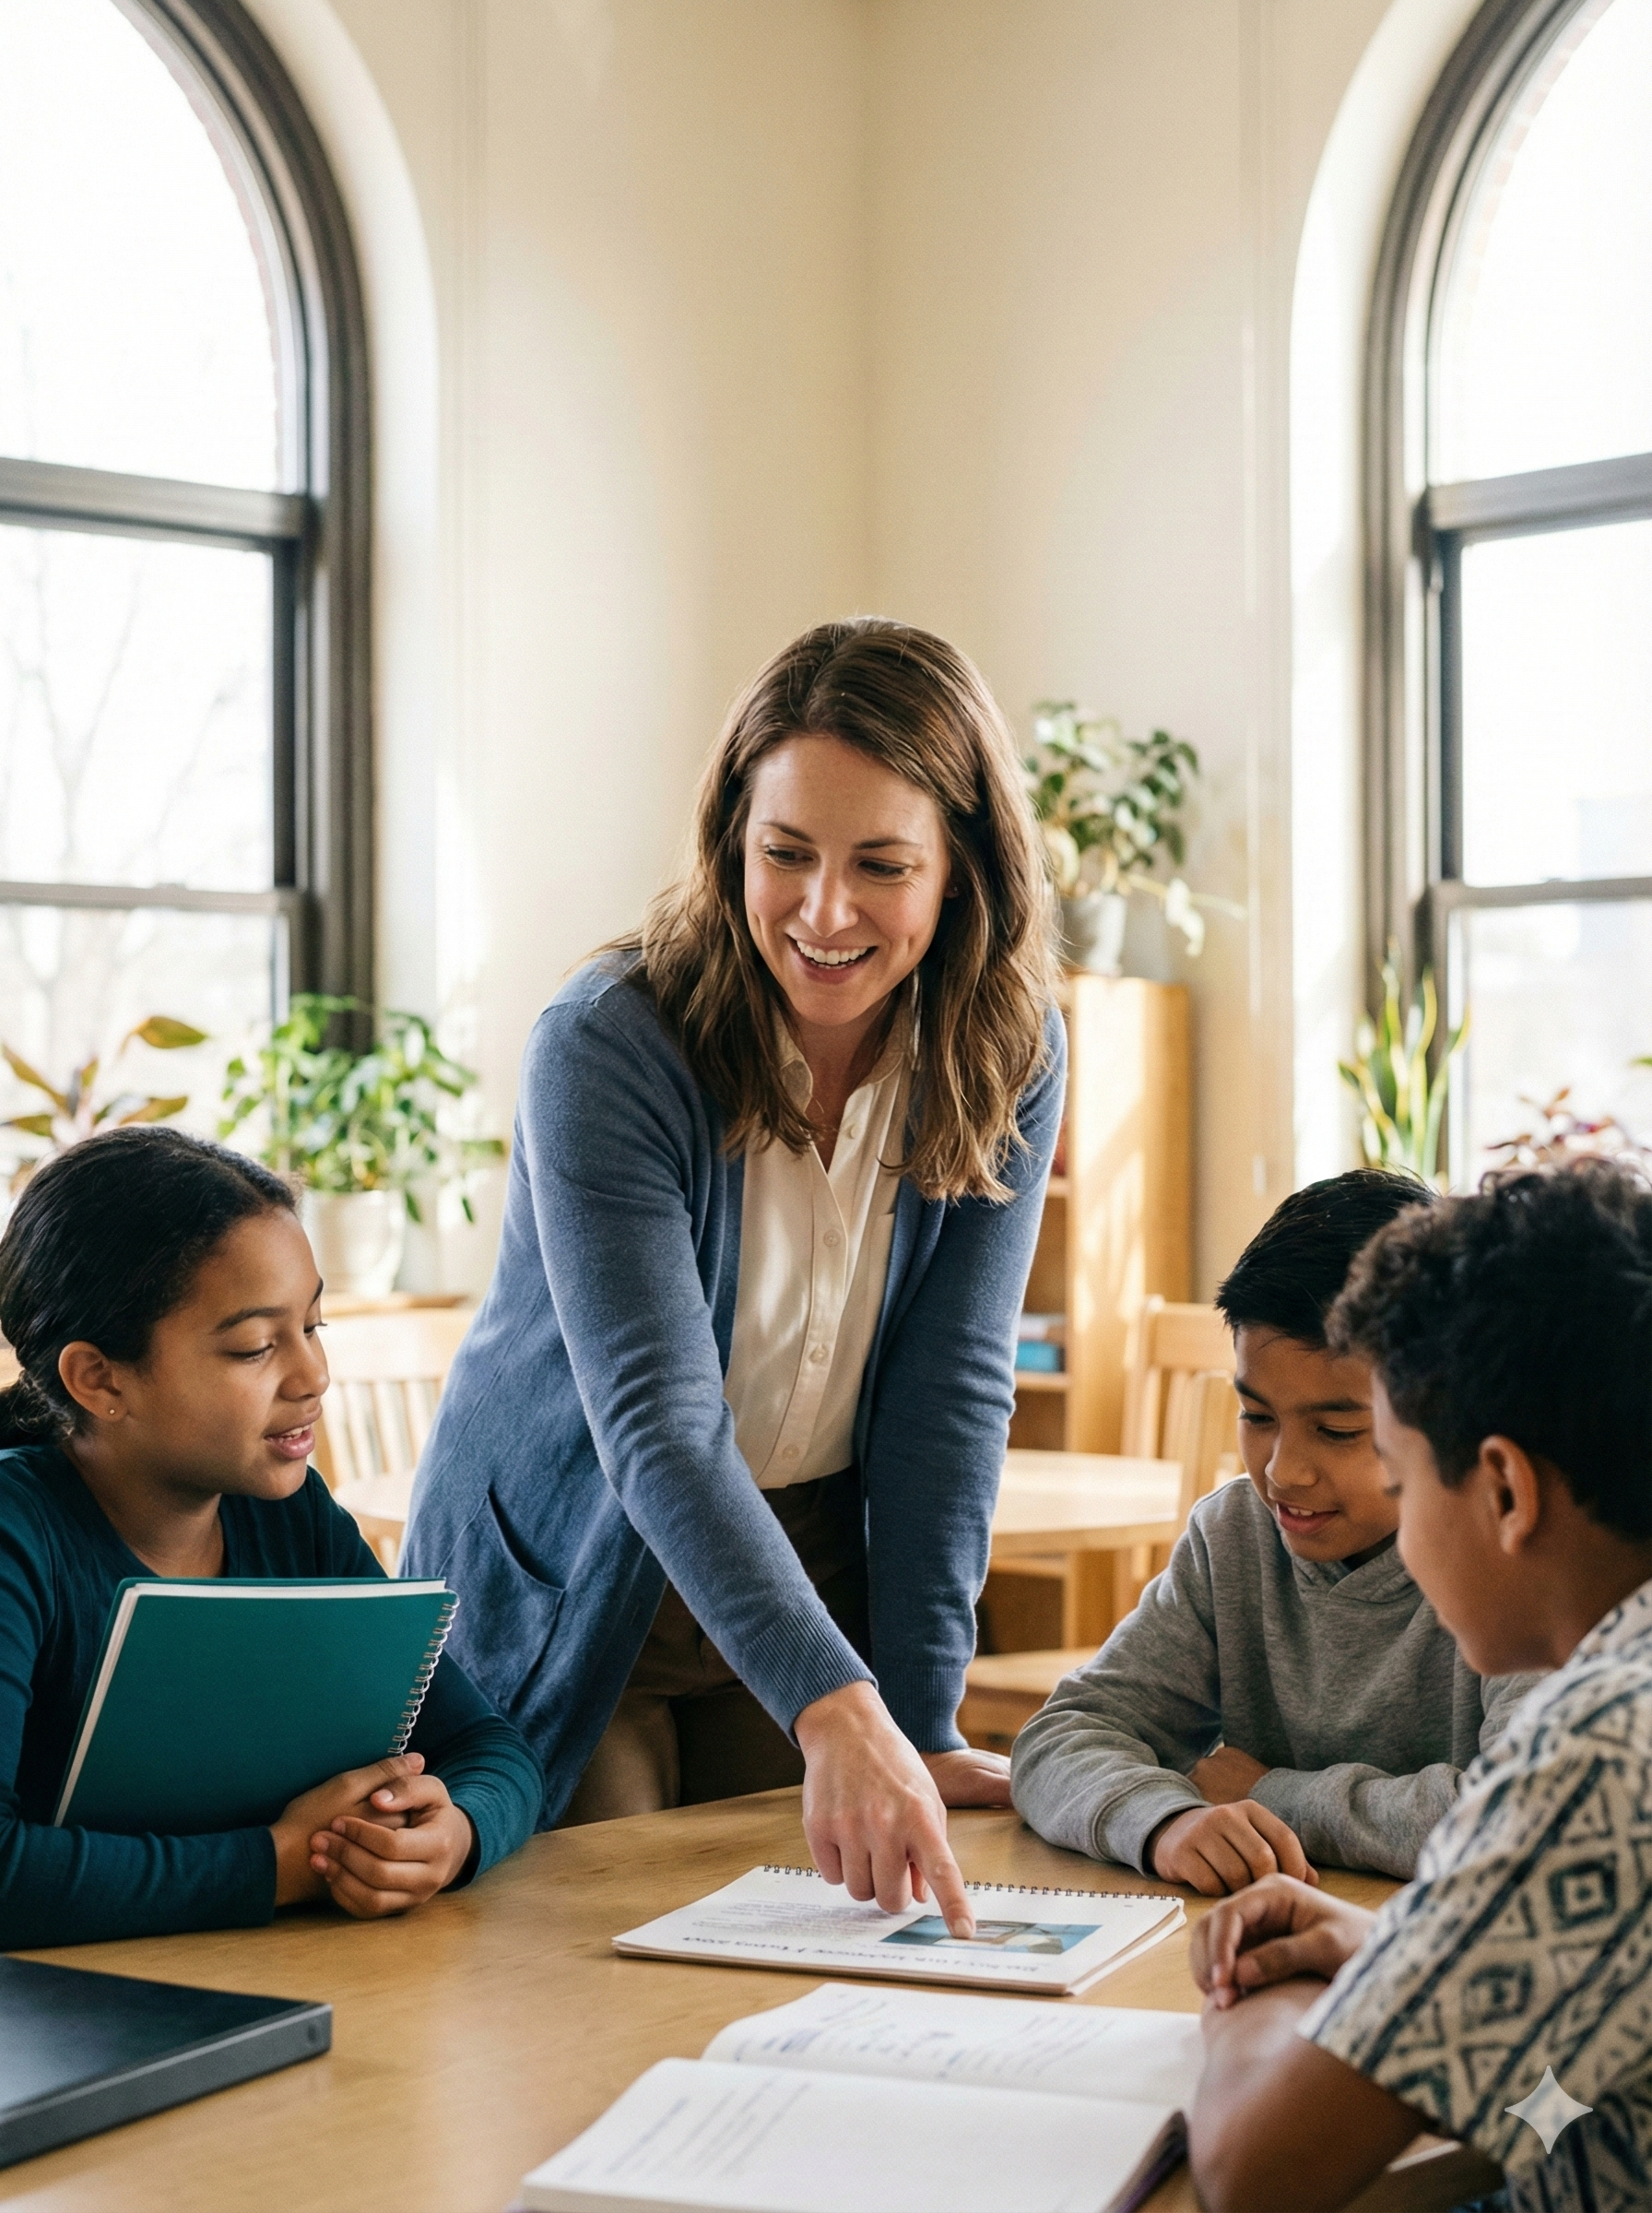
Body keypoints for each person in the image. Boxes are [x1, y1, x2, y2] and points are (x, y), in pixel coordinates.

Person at [403, 618, 1063, 1935]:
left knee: (815, 1946)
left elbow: (953, 1394)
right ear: (731, 845)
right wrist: (840, 1705)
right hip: (587, 1568)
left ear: (962, 873)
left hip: (807, 1574)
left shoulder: (1011, 1051)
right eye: (786, 855)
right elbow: (659, 1421)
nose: (825, 911)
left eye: (882, 864)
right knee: (594, 1954)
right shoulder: (610, 1044)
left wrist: (917, 1714)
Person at [1186, 1160, 1652, 2213]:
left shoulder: (1601, 1747)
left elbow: (1256, 2176)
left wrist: (1267, 2001)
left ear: (1502, 1490)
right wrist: (1398, 1961)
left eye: (1395, 1476)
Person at [0, 1126, 542, 1950]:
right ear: (99, 1378)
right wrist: (278, 1866)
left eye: (313, 1327)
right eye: (255, 1346)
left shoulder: (290, 1516)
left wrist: (451, 1834)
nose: (313, 1376)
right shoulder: (18, 1535)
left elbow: (485, 1745)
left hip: (288, 1984)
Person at [1011, 1169, 1533, 1893]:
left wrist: (1270, 1793)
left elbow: (1525, 1819)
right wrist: (1165, 1824)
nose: (1284, 1473)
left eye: (1338, 1430)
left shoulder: (1523, 1563)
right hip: (1269, 1942)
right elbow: (1063, 1735)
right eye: (1256, 1417)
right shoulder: (1234, 1536)